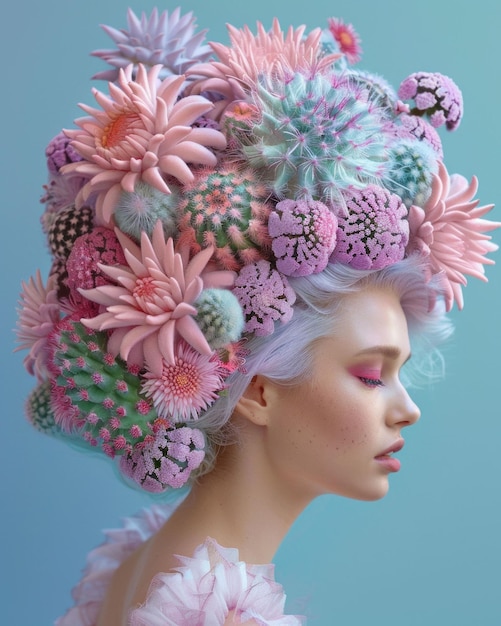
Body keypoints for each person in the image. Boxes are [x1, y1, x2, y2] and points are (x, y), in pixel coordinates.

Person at [14, 6, 499, 625]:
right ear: (257, 392)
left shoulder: (143, 565)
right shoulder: (218, 613)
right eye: (372, 376)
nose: (408, 408)